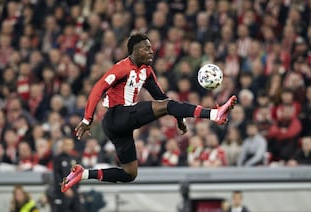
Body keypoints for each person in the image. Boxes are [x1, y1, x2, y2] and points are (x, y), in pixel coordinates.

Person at [60, 33, 236, 191]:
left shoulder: (147, 71)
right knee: (166, 105)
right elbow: (98, 88)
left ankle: (82, 174)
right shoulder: (121, 68)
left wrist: (180, 119)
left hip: (120, 126)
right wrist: (87, 119)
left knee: (130, 174)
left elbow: (162, 99)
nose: (152, 51)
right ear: (135, 52)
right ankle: (214, 114)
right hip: (116, 115)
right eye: (147, 48)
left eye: (151, 48)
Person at [51, 136, 91, 212]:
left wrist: (74, 190)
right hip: (62, 195)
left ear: (72, 146)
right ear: (62, 146)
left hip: (74, 194)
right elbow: (57, 176)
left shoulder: (75, 158)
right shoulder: (57, 159)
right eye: (65, 144)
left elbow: (79, 175)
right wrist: (65, 188)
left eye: (69, 144)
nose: (67, 146)